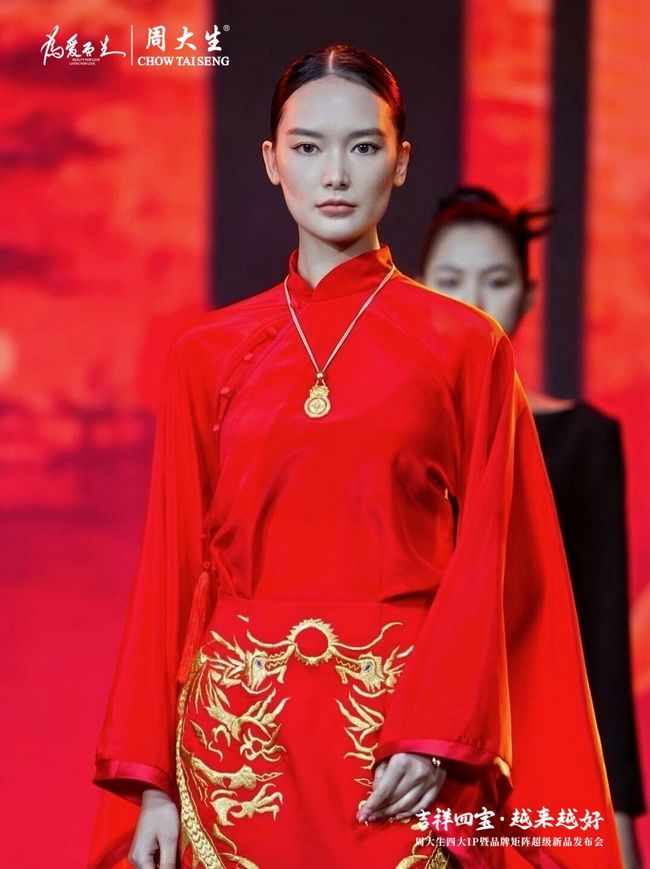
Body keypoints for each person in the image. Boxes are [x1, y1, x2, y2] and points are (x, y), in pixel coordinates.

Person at [89, 47, 622, 868]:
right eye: (307, 146)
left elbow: (495, 564)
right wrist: (153, 783)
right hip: (236, 749)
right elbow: (172, 569)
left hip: (400, 744)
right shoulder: (206, 353)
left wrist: (440, 734)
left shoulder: (465, 346)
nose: (334, 173)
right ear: (271, 160)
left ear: (400, 162)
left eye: (363, 147)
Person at [420, 185, 645, 868]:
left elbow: (601, 639)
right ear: (417, 290)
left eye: (496, 281)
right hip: (402, 740)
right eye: (449, 281)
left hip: (537, 739)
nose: (473, 302)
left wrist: (618, 815)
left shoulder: (582, 439)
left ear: (529, 294)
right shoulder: (385, 435)